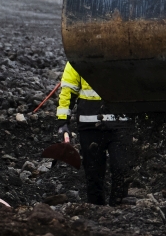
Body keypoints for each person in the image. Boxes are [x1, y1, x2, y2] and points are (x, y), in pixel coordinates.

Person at [55, 62, 134, 206]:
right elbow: (68, 91)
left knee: (121, 169)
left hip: (121, 123)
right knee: (93, 173)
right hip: (90, 125)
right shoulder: (77, 57)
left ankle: (119, 208)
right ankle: (95, 210)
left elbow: (140, 85)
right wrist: (63, 122)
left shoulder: (125, 51)